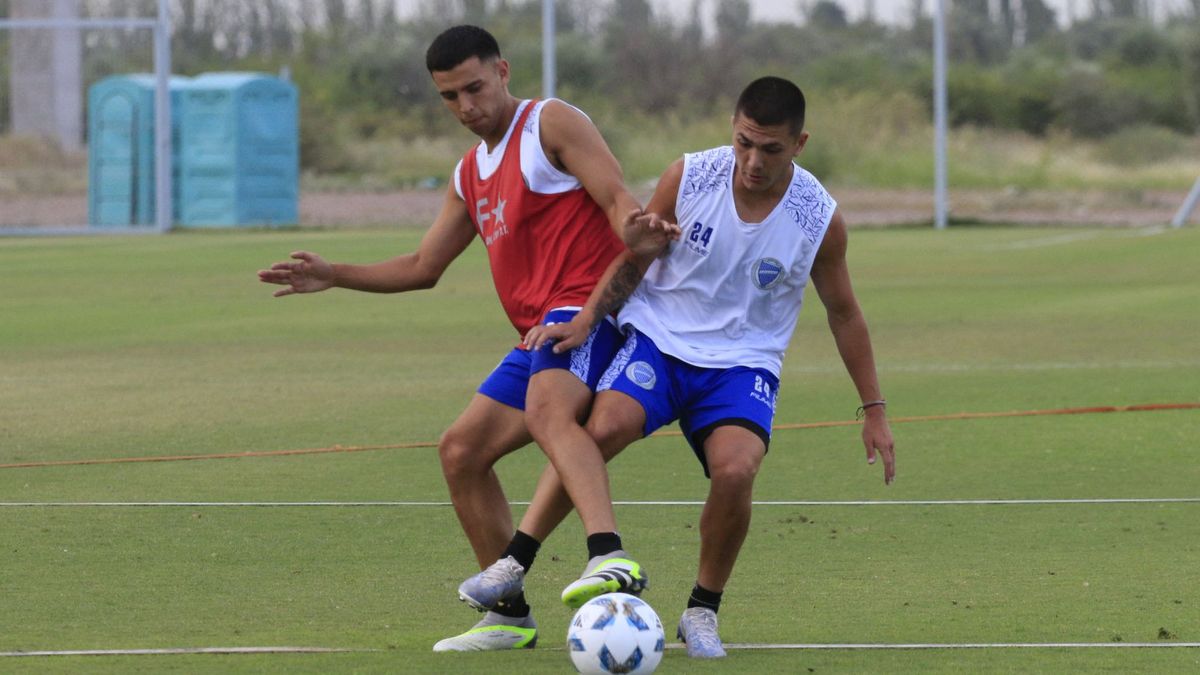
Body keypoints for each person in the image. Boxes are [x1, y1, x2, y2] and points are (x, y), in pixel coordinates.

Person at [257, 25, 669, 652]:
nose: (465, 106)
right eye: (449, 97)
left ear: (503, 71)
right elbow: (424, 267)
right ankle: (507, 615)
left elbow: (616, 198)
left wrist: (632, 227)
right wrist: (334, 274)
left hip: (589, 310)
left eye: (474, 87)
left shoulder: (550, 123)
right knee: (460, 451)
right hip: (536, 333)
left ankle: (609, 554)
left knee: (545, 411)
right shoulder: (470, 172)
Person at [465, 75, 896, 659]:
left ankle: (701, 610)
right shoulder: (691, 175)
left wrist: (874, 408)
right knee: (603, 428)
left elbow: (844, 313)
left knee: (738, 470)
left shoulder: (817, 216)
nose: (752, 161)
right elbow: (634, 256)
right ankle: (517, 560)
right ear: (733, 128)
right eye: (745, 142)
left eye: (770, 149)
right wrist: (590, 317)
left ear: (799, 144)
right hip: (660, 341)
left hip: (744, 363)